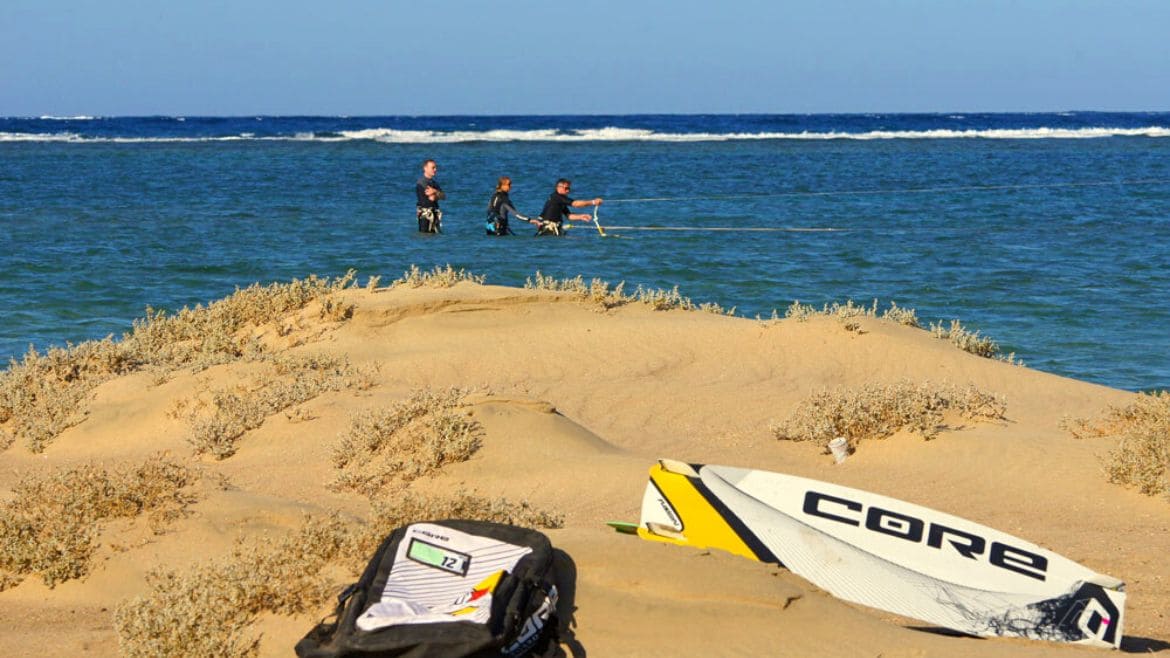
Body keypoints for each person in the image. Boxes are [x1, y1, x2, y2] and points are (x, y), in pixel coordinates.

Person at [534, 178, 602, 236]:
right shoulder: (556, 197)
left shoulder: (559, 200)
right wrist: (593, 202)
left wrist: (581, 217)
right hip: (548, 230)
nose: (568, 191)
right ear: (558, 187)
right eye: (566, 188)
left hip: (554, 229)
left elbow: (569, 216)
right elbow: (575, 204)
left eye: (569, 188)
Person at [415, 159, 445, 233]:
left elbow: (444, 196)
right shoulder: (422, 182)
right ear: (425, 168)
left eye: (436, 167)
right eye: (433, 167)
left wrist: (435, 191)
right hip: (425, 216)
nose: (435, 169)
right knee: (425, 237)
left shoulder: (434, 183)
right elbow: (432, 198)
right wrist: (438, 194)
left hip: (435, 214)